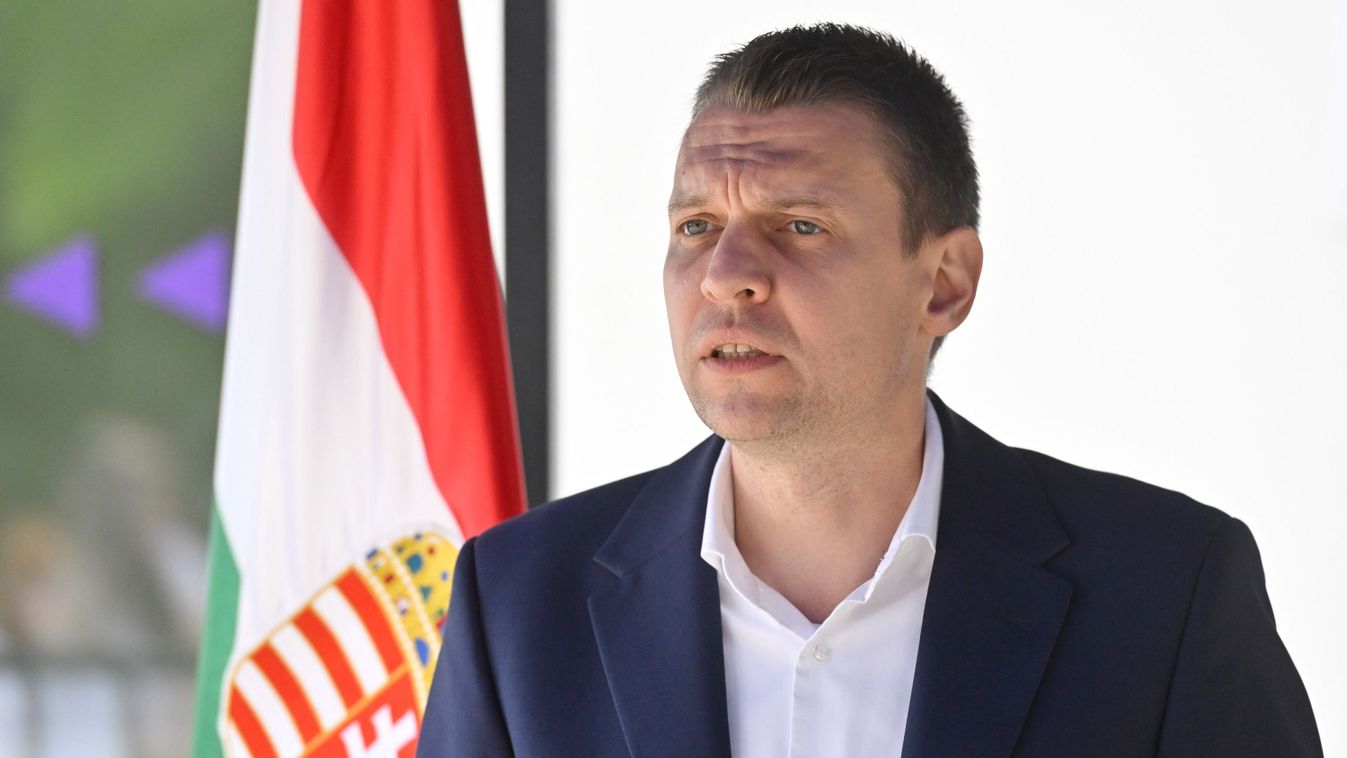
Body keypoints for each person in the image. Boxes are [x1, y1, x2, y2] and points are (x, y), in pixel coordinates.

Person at [418, 23, 1321, 757]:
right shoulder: (517, 604)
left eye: (799, 225)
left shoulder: (1163, 593)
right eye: (696, 225)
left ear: (943, 285)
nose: (725, 275)